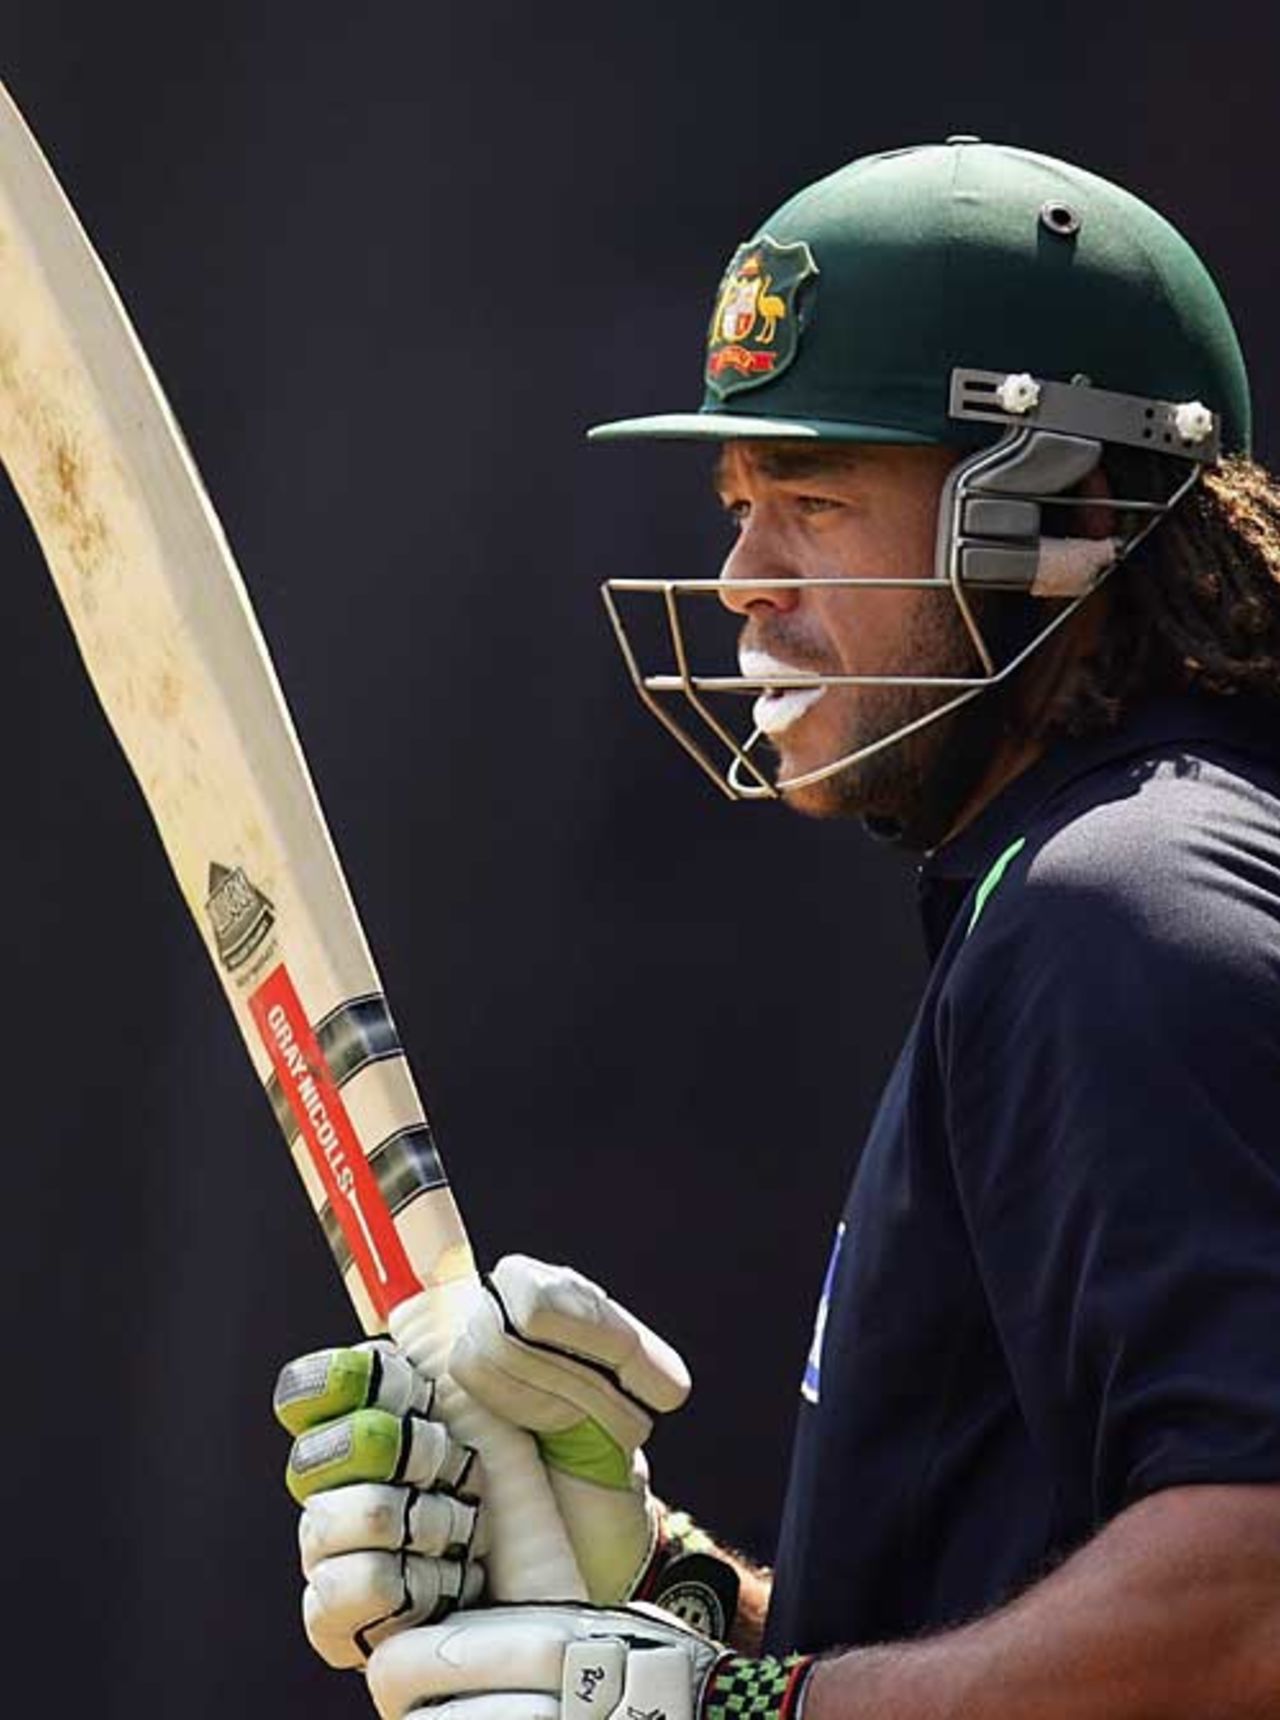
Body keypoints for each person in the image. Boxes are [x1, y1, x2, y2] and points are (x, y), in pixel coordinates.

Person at [273, 139, 1280, 1720]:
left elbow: (1255, 1597)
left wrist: (746, 1718)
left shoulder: (1123, 905)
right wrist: (667, 1603)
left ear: (1067, 515)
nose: (742, 579)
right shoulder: (1069, 883)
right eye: (738, 503)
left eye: (812, 500)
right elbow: (1000, 1596)